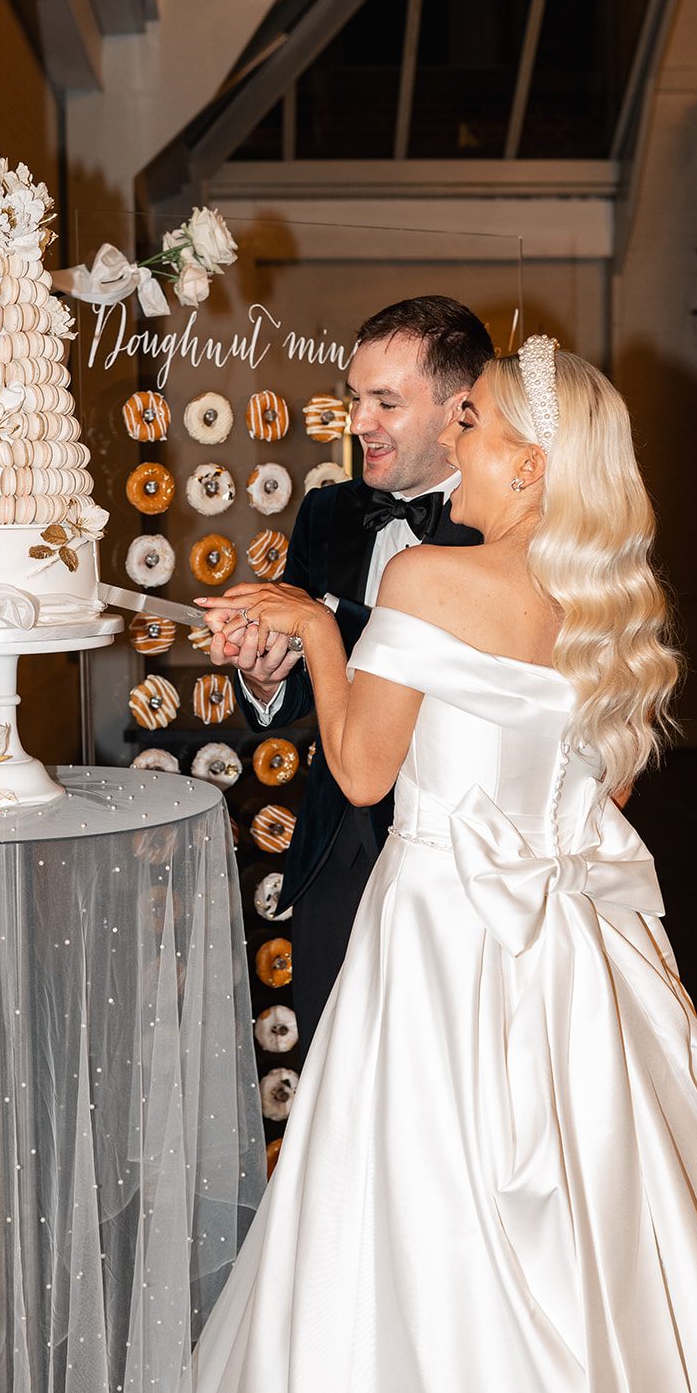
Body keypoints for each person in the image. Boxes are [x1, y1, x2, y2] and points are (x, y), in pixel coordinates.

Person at [191, 337, 697, 1393]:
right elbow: (601, 800)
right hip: (563, 943)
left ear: (527, 466)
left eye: (469, 422)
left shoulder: (425, 579)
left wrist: (313, 635)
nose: (451, 440)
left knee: (409, 1196)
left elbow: (360, 769)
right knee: (590, 1218)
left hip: (439, 928)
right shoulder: (603, 603)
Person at [215, 295, 492, 1056]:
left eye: (385, 402)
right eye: (354, 399)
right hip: (338, 842)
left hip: (467, 853)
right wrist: (268, 675)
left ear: (459, 410)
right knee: (332, 1071)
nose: (358, 422)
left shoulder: (510, 528)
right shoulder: (326, 514)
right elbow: (308, 686)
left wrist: (319, 626)